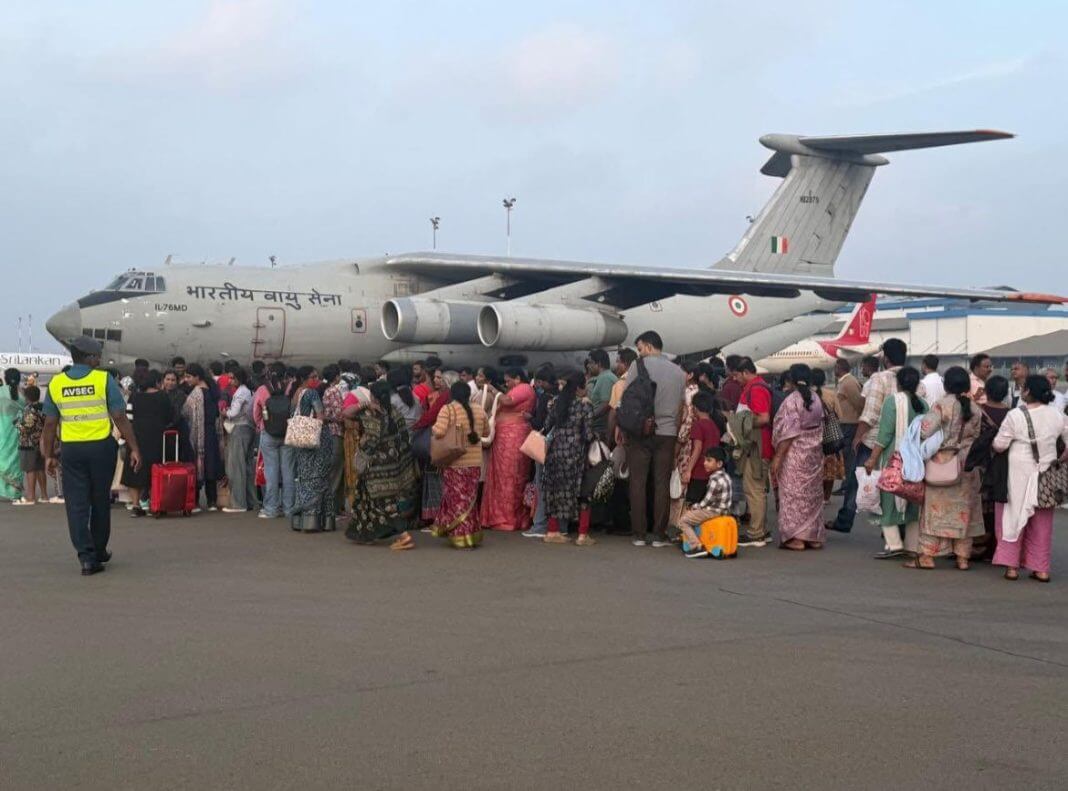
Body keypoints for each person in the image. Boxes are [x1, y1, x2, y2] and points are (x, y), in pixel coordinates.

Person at [41, 336, 141, 575]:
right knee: (99, 501)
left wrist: (48, 455)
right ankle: (98, 549)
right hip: (100, 448)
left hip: (72, 450)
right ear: (88, 357)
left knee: (76, 505)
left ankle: (87, 557)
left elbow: (49, 424)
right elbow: (119, 416)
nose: (99, 359)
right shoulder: (102, 379)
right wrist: (135, 447)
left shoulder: (56, 383)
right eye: (97, 355)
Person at [991, 375, 1068, 582]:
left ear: (1027, 392)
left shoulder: (1015, 415)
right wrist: (1059, 458)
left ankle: (1012, 567)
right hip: (1047, 473)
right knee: (1043, 521)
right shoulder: (1058, 415)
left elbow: (1000, 445)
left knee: (1012, 517)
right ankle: (1041, 569)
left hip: (1018, 473)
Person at [831, 338, 907, 534]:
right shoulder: (913, 379)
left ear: (886, 358)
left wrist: (858, 436)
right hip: (903, 440)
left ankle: (845, 519)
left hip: (874, 440)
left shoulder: (879, 379)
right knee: (898, 482)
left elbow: (870, 412)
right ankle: (895, 526)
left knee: (856, 479)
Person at [912, 366, 983, 570]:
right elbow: (977, 435)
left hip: (942, 464)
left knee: (934, 512)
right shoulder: (975, 408)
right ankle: (962, 559)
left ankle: (927, 556)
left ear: (947, 384)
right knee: (964, 513)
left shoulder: (942, 406)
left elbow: (925, 431)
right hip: (966, 466)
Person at [622, 331, 686, 547]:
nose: (639, 353)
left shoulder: (637, 367)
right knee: (661, 483)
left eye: (640, 349)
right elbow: (680, 408)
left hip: (641, 431)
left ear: (648, 347)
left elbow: (627, 399)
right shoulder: (679, 372)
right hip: (667, 433)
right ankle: (658, 534)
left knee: (638, 482)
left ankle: (639, 534)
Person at [863, 367, 927, 559]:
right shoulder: (923, 404)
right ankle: (912, 545)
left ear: (898, 383)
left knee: (888, 499)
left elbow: (884, 435)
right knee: (914, 499)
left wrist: (872, 458)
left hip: (893, 459)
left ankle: (893, 544)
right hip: (916, 460)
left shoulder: (892, 402)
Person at [346, 380, 418, 548]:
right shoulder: (394, 412)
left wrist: (363, 404)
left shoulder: (371, 414)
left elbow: (347, 414)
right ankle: (366, 532)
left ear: (373, 396)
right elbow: (404, 439)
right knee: (367, 498)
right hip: (394, 467)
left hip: (376, 468)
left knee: (384, 504)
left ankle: (404, 535)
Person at [771, 364, 825, 550]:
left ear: (790, 380)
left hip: (795, 454)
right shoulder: (816, 398)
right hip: (814, 454)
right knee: (812, 496)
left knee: (792, 496)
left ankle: (796, 537)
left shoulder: (792, 401)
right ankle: (812, 535)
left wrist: (777, 458)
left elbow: (789, 433)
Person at [431, 381, 488, 549]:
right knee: (469, 500)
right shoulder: (479, 409)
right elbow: (486, 432)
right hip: (475, 462)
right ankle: (471, 535)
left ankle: (461, 536)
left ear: (452, 394)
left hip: (455, 462)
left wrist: (433, 429)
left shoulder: (448, 409)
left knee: (457, 499)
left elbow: (439, 431)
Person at [542, 371, 597, 546]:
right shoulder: (585, 406)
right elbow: (588, 435)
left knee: (554, 491)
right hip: (575, 455)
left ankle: (552, 531)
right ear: (581, 387)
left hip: (555, 452)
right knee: (582, 492)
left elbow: (546, 425)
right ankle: (582, 535)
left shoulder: (556, 403)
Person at [479, 368, 535, 532]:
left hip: (513, 439)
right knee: (501, 477)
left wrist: (493, 390)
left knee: (511, 478)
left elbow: (508, 401)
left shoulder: (525, 388)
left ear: (518, 378)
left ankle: (509, 518)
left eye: (509, 380)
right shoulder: (519, 388)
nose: (507, 383)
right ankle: (498, 516)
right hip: (506, 439)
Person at [289, 367, 336, 533]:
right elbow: (320, 415)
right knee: (319, 478)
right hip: (316, 441)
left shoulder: (296, 394)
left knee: (304, 478)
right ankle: (320, 519)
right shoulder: (312, 393)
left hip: (301, 441)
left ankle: (301, 519)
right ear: (304, 378)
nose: (316, 379)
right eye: (313, 377)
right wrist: (330, 418)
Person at [122, 370, 174, 516]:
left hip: (136, 438)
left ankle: (136, 505)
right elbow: (169, 416)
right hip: (156, 438)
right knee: (155, 471)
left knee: (134, 471)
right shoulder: (162, 396)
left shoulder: (134, 396)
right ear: (158, 382)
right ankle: (154, 504)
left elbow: (129, 417)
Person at [972, 375, 1011, 561]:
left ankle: (978, 545)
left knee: (981, 505)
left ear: (986, 391)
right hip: (1004, 464)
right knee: (1000, 505)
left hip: (982, 464)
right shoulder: (1012, 414)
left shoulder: (979, 411)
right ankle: (997, 546)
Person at [735, 357, 774, 546]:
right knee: (756, 488)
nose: (735, 379)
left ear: (745, 373)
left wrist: (743, 423)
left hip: (757, 446)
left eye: (736, 375)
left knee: (754, 489)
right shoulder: (755, 387)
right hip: (758, 445)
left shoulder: (756, 389)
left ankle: (756, 533)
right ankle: (760, 530)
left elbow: (764, 418)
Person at [674, 447, 734, 558]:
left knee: (683, 521)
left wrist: (695, 506)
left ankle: (696, 546)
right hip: (724, 510)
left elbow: (707, 501)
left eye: (709, 461)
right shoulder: (726, 476)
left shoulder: (715, 479)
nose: (705, 463)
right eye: (705, 460)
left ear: (719, 463)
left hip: (713, 511)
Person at [521, 364, 559, 539]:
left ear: (544, 381)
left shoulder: (544, 398)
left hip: (542, 444)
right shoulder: (560, 395)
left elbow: (539, 423)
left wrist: (529, 418)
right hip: (558, 446)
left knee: (540, 484)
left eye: (539, 380)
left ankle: (539, 525)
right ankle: (557, 525)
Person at [412, 367, 453, 522]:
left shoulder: (445, 397)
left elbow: (431, 417)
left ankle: (436, 516)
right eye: (436, 377)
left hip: (439, 442)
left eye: (440, 378)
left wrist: (416, 427)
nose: (437, 380)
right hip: (451, 445)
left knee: (434, 478)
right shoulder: (451, 396)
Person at [181, 363, 223, 512]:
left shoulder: (196, 393)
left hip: (198, 432)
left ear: (197, 377)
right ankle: (212, 501)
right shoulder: (212, 390)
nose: (186, 379)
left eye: (188, 376)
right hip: (211, 433)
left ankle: (196, 502)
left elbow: (185, 413)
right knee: (210, 465)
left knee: (196, 464)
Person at [255, 370, 291, 519]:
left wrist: (261, 425)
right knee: (288, 471)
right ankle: (289, 508)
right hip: (287, 433)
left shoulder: (262, 389)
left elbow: (255, 412)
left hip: (268, 433)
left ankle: (271, 508)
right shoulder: (289, 387)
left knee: (271, 471)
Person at [222, 367, 258, 514]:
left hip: (239, 429)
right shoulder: (249, 391)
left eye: (232, 378)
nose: (230, 381)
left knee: (236, 467)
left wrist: (226, 412)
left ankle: (238, 503)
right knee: (248, 467)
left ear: (238, 379)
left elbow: (234, 412)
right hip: (249, 429)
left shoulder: (240, 392)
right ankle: (252, 502)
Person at [681, 390, 723, 503]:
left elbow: (697, 448)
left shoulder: (698, 425)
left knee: (692, 505)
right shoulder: (714, 426)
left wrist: (688, 470)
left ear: (695, 408)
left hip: (699, 471)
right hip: (711, 471)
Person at [832, 358, 864, 499]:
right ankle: (847, 485)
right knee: (846, 456)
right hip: (845, 423)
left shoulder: (849, 382)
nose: (834, 370)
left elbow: (858, 402)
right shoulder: (844, 382)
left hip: (850, 423)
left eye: (836, 367)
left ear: (840, 368)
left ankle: (848, 486)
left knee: (849, 456)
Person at [811, 368, 843, 502]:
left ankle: (815, 496)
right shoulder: (831, 394)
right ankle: (826, 497)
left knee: (814, 469)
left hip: (813, 437)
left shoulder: (808, 395)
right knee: (830, 468)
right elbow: (840, 416)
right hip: (830, 438)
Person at [12, 384, 46, 505]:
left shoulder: (29, 410)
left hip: (28, 444)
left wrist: (16, 423)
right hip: (40, 443)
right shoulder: (42, 408)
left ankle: (31, 497)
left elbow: (26, 428)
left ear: (27, 397)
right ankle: (44, 495)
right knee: (40, 468)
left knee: (30, 469)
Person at [320, 365, 346, 520]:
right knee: (335, 471)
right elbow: (338, 414)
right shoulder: (334, 391)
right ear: (336, 377)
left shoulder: (326, 390)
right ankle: (331, 509)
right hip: (336, 431)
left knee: (334, 471)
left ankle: (335, 508)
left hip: (330, 432)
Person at [0, 368, 24, 500]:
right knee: (14, 460)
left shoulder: (0, 392)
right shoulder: (21, 395)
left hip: (1, 430)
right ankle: (14, 492)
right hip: (14, 432)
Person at [585, 349, 618, 440]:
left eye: (591, 363)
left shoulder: (606, 378)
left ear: (598, 364)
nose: (588, 366)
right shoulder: (603, 377)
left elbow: (605, 404)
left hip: (600, 430)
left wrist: (589, 417)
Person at [606, 347, 637, 443]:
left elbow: (614, 412)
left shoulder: (621, 384)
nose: (616, 365)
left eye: (618, 362)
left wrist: (608, 437)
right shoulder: (643, 379)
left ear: (626, 364)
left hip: (625, 435)